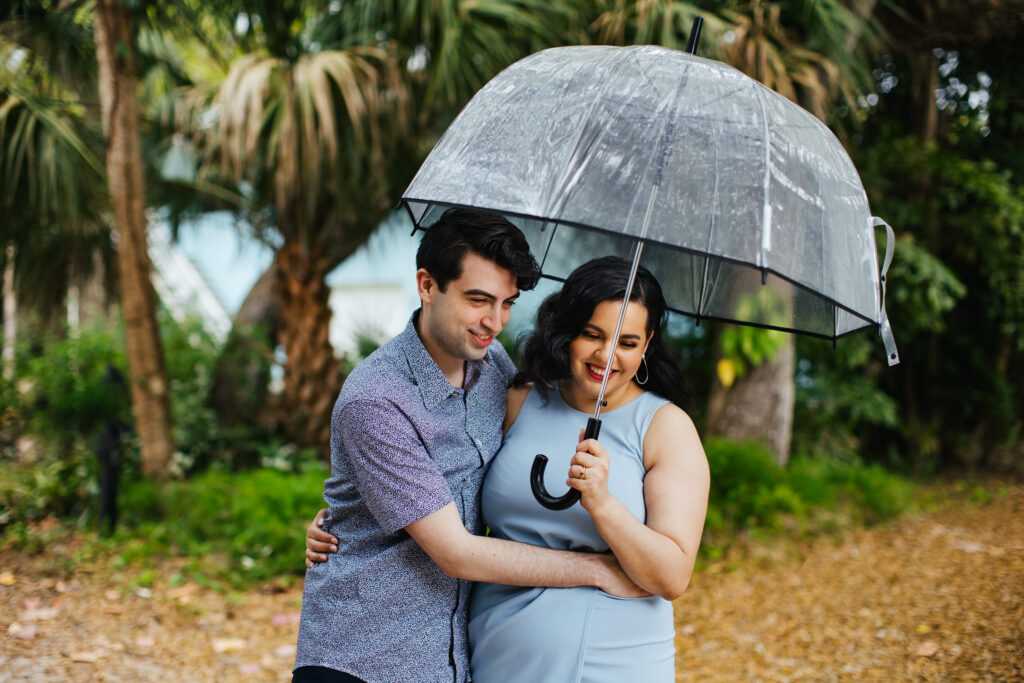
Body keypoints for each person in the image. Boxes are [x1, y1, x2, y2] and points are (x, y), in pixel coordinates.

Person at [309, 255, 710, 682]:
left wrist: (603, 504)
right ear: (567, 331)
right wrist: (352, 522)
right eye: (592, 335)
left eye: (627, 343)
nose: (605, 355)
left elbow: (672, 576)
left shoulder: (666, 428)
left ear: (646, 346)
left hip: (612, 661)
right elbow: (445, 474)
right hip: (493, 655)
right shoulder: (517, 396)